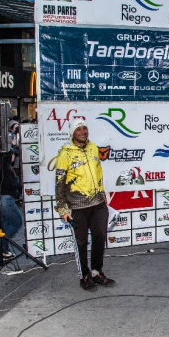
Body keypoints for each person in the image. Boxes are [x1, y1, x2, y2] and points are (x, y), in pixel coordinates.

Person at [55, 119, 115, 292]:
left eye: (85, 128)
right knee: (81, 242)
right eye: (78, 129)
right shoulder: (65, 153)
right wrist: (62, 207)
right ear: (73, 133)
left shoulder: (93, 147)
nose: (83, 131)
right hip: (77, 205)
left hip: (97, 203)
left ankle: (96, 272)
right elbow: (59, 182)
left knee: (100, 236)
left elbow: (98, 173)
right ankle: (84, 276)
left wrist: (102, 195)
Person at [0, 151, 22, 259]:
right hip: (3, 199)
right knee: (16, 222)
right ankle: (0, 245)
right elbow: (10, 185)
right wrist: (19, 184)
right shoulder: (6, 169)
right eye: (13, 155)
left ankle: (4, 250)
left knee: (4, 224)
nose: (14, 157)